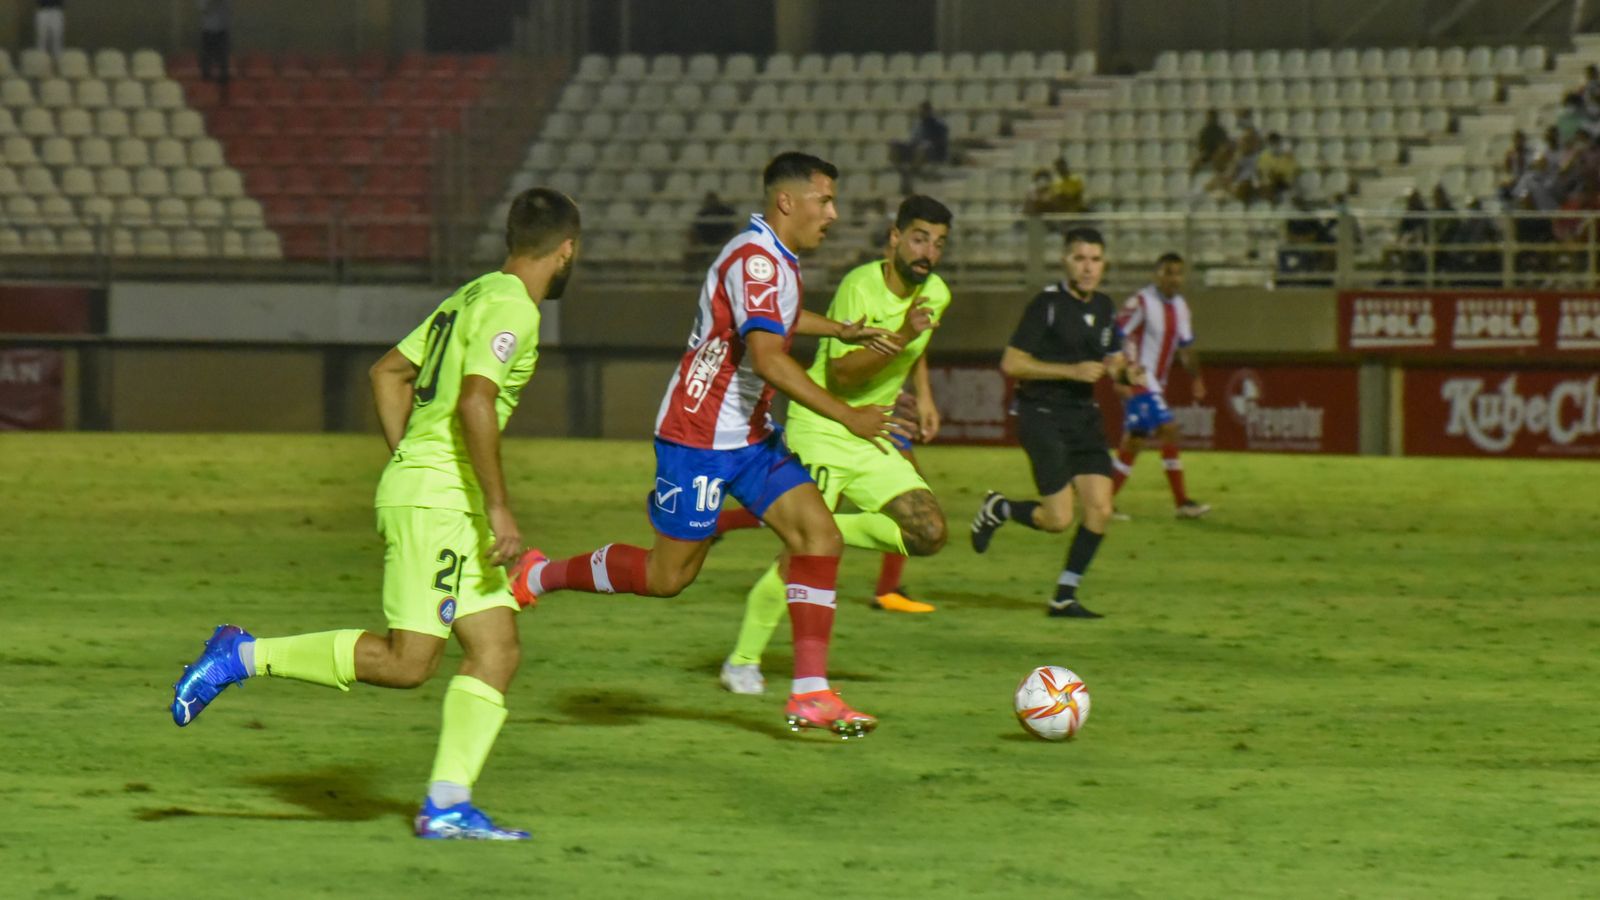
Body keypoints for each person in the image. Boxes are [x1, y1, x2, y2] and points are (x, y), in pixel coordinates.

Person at [167, 188, 580, 840]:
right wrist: (495, 504)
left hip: (441, 493)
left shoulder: (469, 295)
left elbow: (387, 372)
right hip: (443, 502)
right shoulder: (514, 309)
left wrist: (411, 456)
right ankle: (241, 656)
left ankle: (447, 804)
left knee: (496, 648)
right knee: (408, 662)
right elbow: (476, 401)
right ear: (566, 250)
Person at [507, 153, 904, 738]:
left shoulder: (773, 258)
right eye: (824, 200)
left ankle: (810, 693)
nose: (834, 214)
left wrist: (840, 330)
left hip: (748, 438)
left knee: (818, 535)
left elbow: (775, 323)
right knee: (667, 577)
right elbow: (769, 358)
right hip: (696, 439)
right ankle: (540, 575)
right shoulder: (757, 262)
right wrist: (848, 415)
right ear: (787, 202)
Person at [713, 195, 954, 696]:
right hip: (824, 425)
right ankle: (740, 661)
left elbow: (919, 346)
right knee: (802, 557)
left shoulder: (936, 292)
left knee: (928, 532)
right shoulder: (859, 286)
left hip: (873, 432)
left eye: (938, 243)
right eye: (918, 238)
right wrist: (903, 335)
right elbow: (842, 376)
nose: (927, 252)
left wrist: (924, 395)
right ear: (894, 237)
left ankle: (798, 525)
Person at [969, 227, 1142, 619]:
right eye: (1080, 258)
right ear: (1065, 261)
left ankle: (1064, 595)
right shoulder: (1045, 305)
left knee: (1100, 508)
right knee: (1058, 519)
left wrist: (1128, 374)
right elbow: (1011, 363)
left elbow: (1112, 361)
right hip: (1041, 414)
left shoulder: (1104, 307)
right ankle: (1000, 508)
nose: (1087, 267)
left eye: (1095, 259)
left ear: (1104, 264)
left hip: (1083, 418)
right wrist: (1070, 371)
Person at [1110, 253, 1209, 519]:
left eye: (1178, 273)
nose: (1174, 278)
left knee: (1135, 439)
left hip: (1156, 382)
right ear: (1157, 275)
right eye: (1168, 272)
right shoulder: (1141, 301)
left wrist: (1196, 378)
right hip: (1138, 376)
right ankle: (1182, 503)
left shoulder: (1181, 307)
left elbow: (1186, 347)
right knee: (1169, 428)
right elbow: (1115, 333)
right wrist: (1120, 376)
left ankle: (1102, 500)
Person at [685, 190, 738, 272]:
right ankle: (690, 281)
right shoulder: (702, 214)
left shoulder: (727, 212)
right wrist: (697, 243)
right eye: (709, 200)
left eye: (713, 200)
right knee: (689, 255)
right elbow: (694, 231)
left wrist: (728, 241)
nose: (711, 202)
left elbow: (735, 228)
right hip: (705, 243)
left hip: (725, 242)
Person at [198, 0, 232, 103]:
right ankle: (206, 79)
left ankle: (223, 82)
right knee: (207, 56)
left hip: (222, 30)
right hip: (208, 30)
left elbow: (228, 8)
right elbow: (204, 9)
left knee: (223, 57)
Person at [1255, 133, 1299, 204]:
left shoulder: (1287, 157)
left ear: (1279, 143)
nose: (1273, 145)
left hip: (1282, 185)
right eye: (1271, 143)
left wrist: (1276, 175)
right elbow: (1259, 171)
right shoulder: (1263, 156)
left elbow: (1291, 174)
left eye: (1276, 143)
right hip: (1266, 185)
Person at [1192, 109, 1229, 175]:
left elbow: (1224, 144)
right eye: (1209, 117)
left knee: (1219, 161)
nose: (1210, 119)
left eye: (1212, 117)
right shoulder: (1204, 131)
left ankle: (1219, 178)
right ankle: (1190, 180)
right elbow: (1201, 144)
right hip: (1207, 153)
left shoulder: (1220, 131)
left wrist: (1219, 151)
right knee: (1195, 163)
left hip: (1217, 153)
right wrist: (1203, 151)